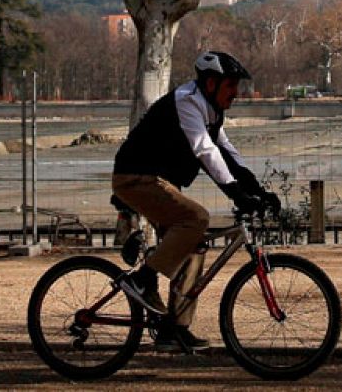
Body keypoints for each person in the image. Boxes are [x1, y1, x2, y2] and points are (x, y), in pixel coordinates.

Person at [110, 50, 280, 352]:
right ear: (211, 83)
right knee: (196, 218)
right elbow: (205, 152)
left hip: (161, 181)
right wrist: (236, 194)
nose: (236, 94)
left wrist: (257, 189)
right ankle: (143, 279)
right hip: (136, 176)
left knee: (195, 244)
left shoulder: (211, 109)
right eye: (231, 86)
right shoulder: (188, 100)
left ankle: (173, 329)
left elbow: (226, 151)